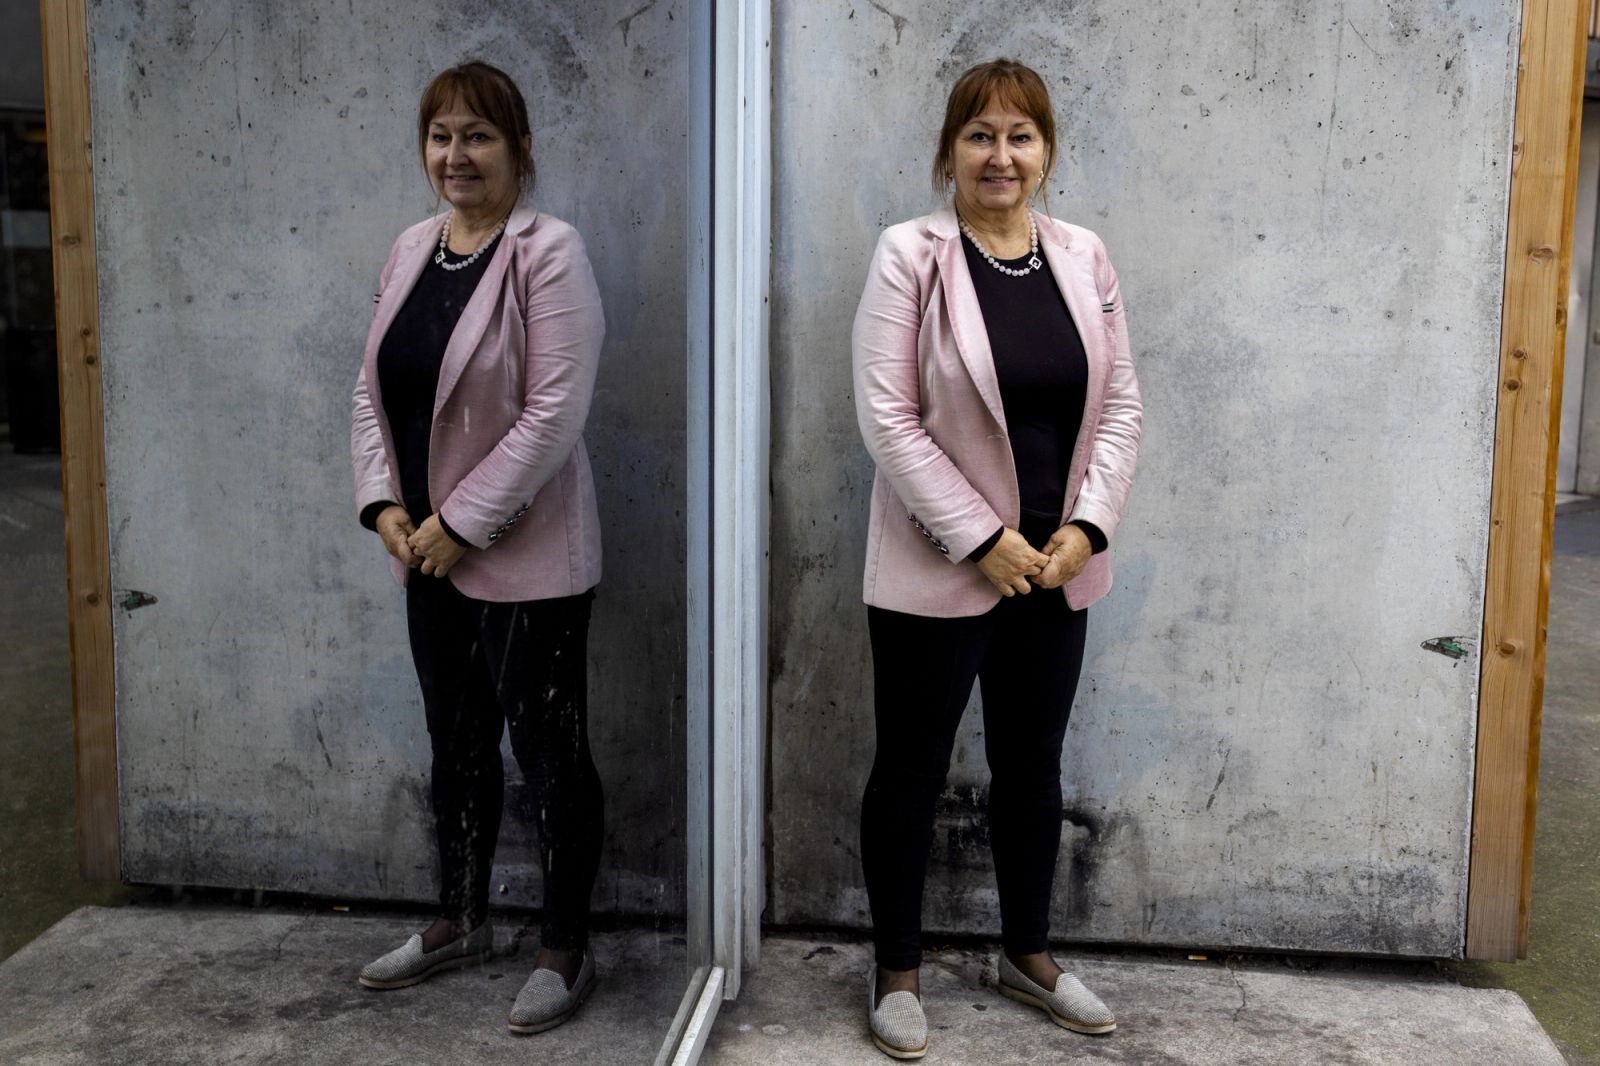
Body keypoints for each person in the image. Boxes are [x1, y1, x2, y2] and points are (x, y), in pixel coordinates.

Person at [851, 58, 1142, 1059]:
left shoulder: (1083, 256)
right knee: (910, 769)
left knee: (1032, 768)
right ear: (950, 152)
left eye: (1020, 136)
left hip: (1056, 567)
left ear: (1046, 152)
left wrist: (1086, 529)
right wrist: (982, 541)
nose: (1000, 155)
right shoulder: (911, 254)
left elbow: (1121, 407)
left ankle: (1028, 954)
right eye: (980, 135)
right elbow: (887, 418)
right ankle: (896, 971)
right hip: (943, 565)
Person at [349, 60, 607, 1036]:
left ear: (520, 149)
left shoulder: (548, 251)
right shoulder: (412, 247)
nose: (456, 155)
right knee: (453, 745)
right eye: (441, 136)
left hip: (523, 556)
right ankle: (461, 918)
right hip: (421, 550)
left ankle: (564, 947)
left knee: (550, 753)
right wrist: (382, 505)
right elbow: (370, 390)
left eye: (478, 136)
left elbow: (554, 411)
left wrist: (461, 524)